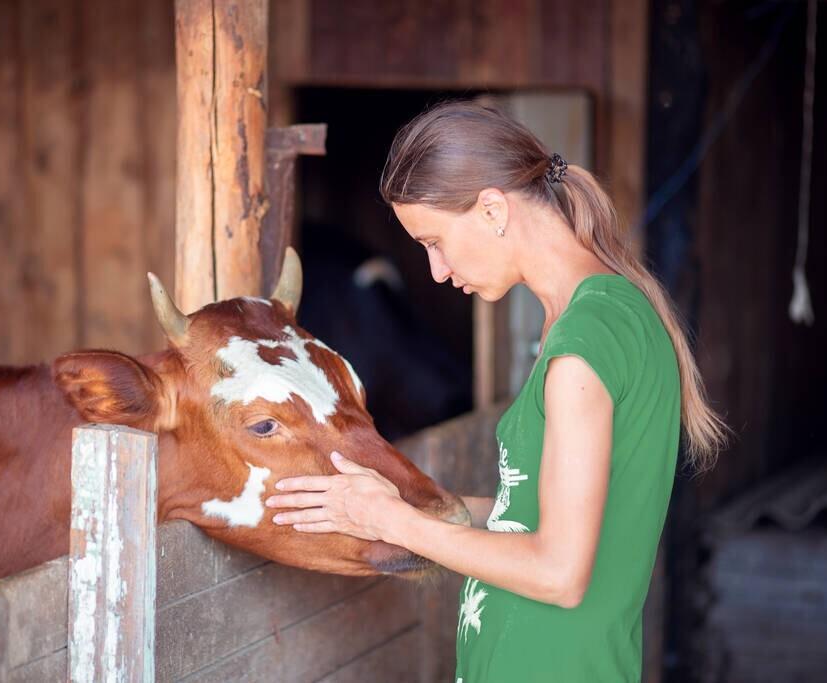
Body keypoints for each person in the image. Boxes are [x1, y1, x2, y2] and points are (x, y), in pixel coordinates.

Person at [264, 99, 731, 682]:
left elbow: (559, 572)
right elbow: (531, 517)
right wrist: (403, 503)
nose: (435, 271)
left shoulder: (584, 344)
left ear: (492, 209)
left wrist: (396, 525)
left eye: (434, 241)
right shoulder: (598, 317)